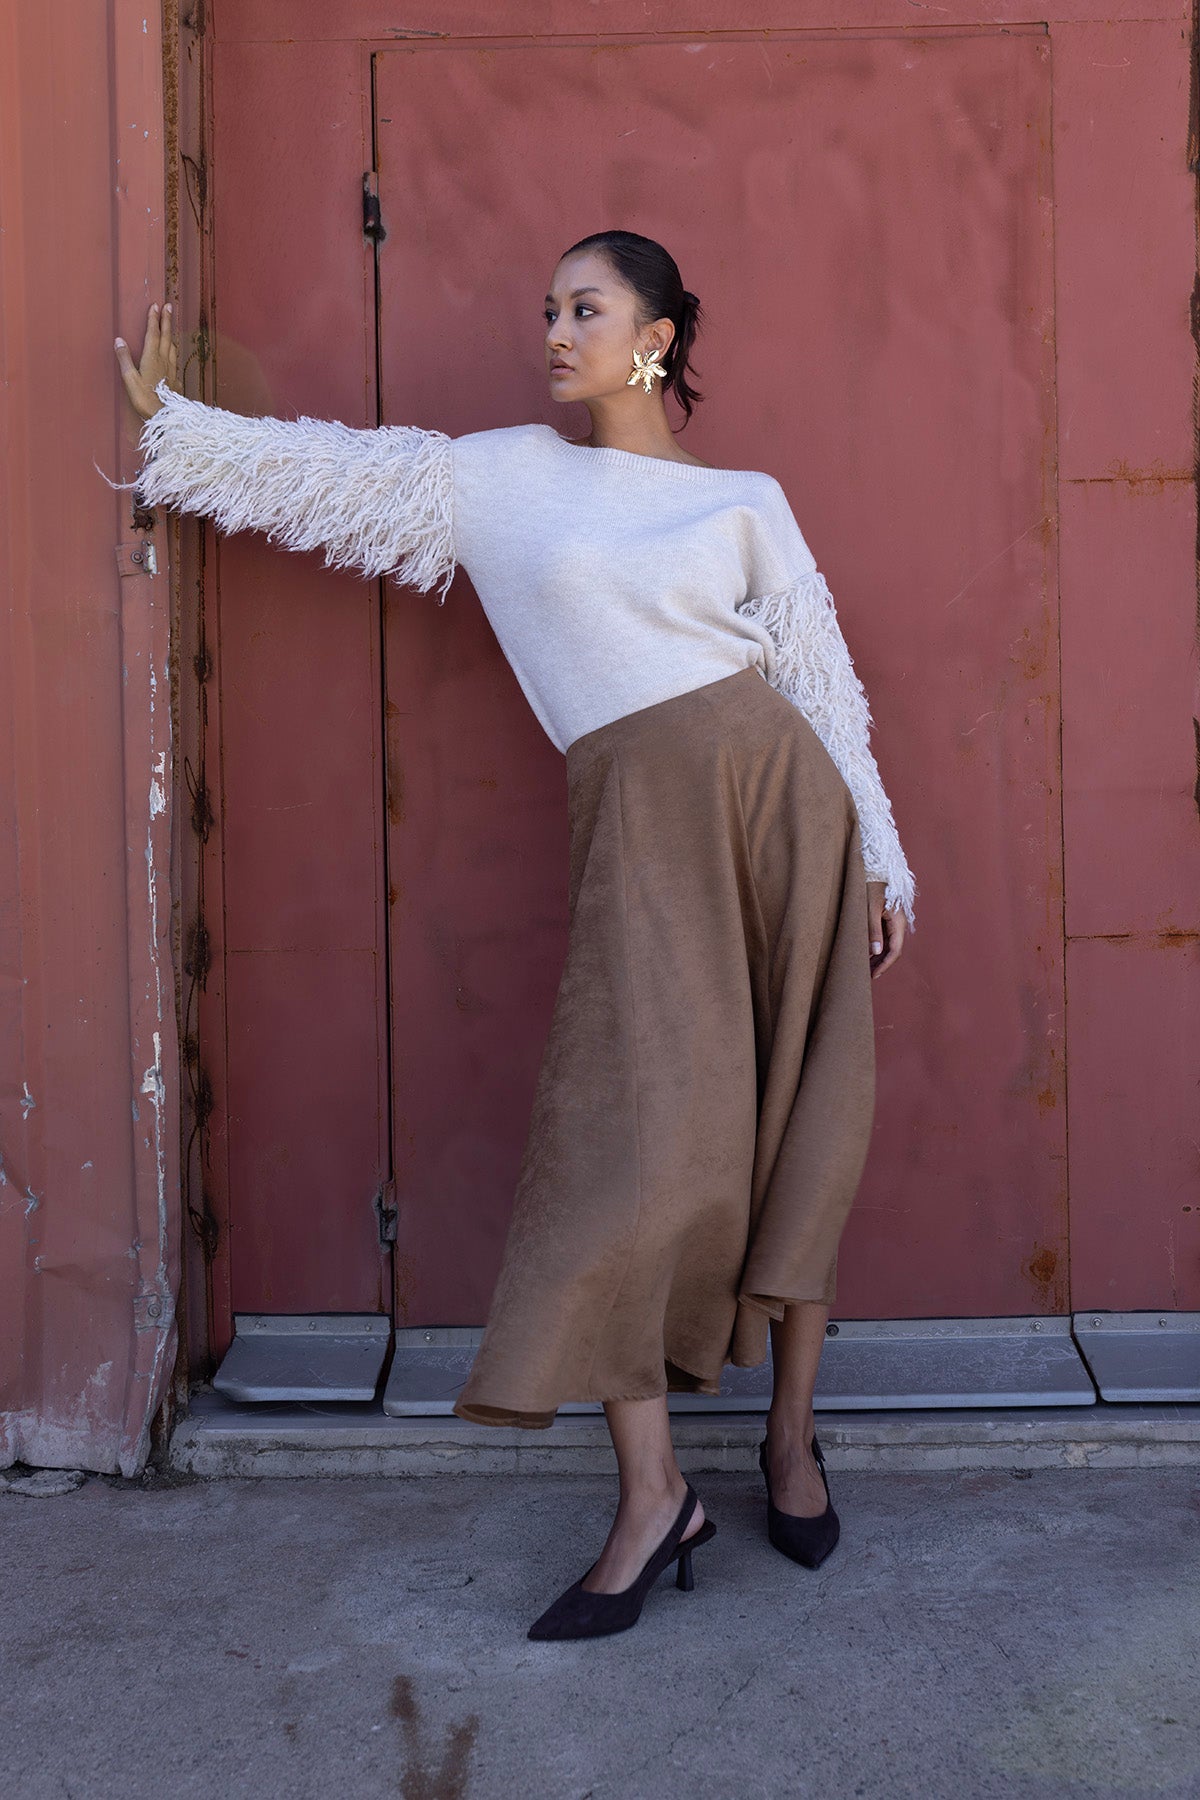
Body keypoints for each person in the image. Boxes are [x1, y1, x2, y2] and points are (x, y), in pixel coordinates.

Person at [112, 228, 916, 1642]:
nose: (553, 330)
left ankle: (791, 1441)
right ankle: (655, 1495)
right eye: (548, 309)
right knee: (624, 1150)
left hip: (787, 808)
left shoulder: (745, 501)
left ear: (654, 338)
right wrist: (176, 428)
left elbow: (818, 678)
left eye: (584, 309)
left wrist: (884, 856)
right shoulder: (507, 477)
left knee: (802, 1121)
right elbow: (335, 475)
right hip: (640, 829)